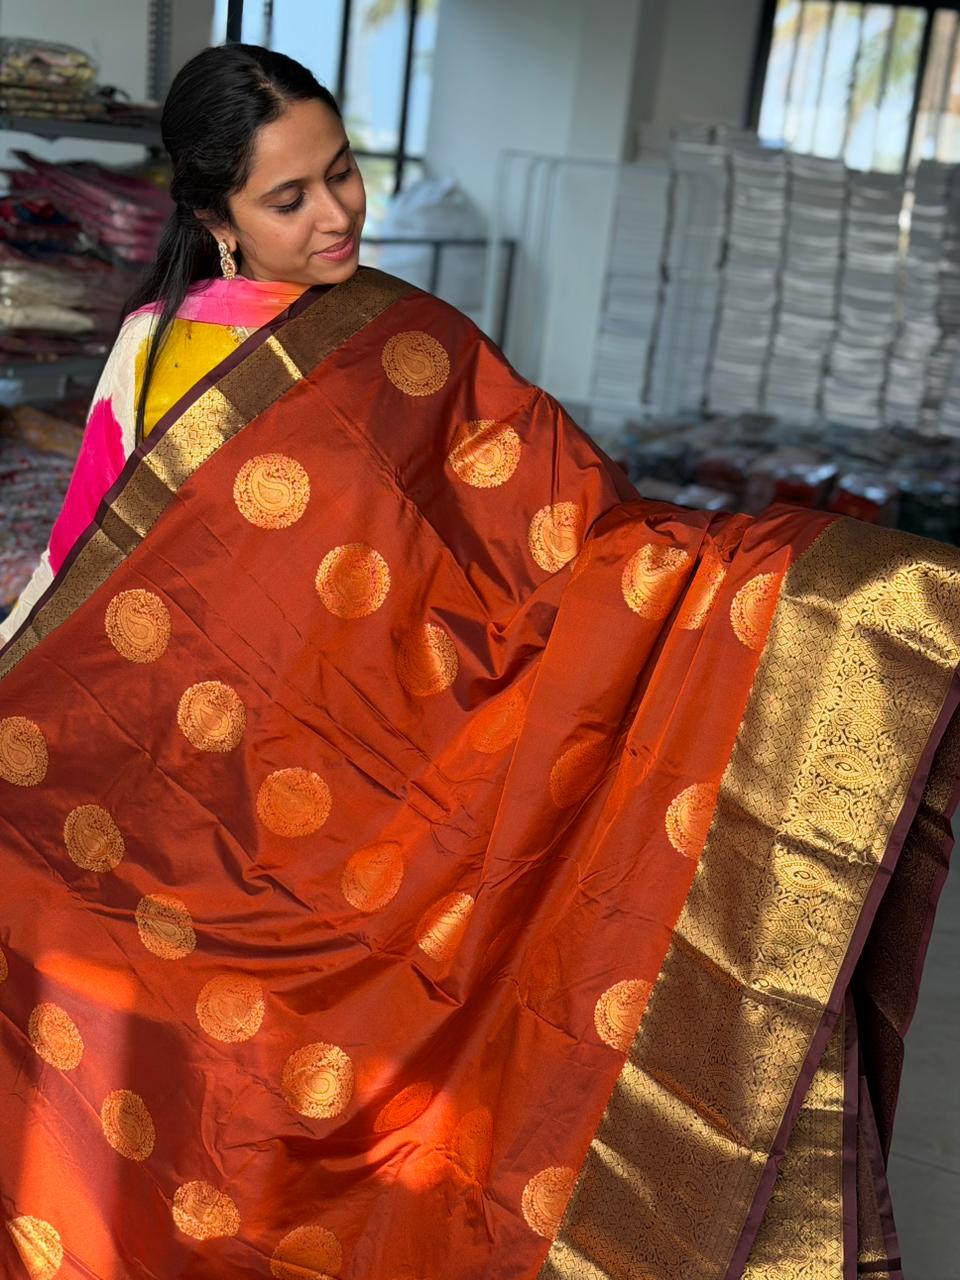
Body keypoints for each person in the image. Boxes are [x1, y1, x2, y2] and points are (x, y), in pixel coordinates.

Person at [0, 42, 956, 1280]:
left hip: (387, 789)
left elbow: (573, 542)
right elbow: (87, 576)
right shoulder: (148, 353)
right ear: (214, 219)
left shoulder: (415, 342)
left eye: (342, 173)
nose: (336, 214)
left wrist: (808, 593)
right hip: (201, 795)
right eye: (288, 198)